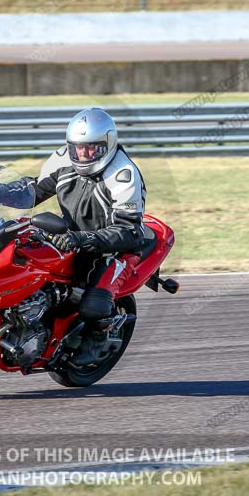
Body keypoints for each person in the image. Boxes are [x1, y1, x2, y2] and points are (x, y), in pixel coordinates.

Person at [31, 107, 147, 365]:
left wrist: (83, 239)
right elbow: (36, 189)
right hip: (69, 238)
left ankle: (100, 337)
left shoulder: (123, 174)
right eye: (78, 148)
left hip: (113, 250)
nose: (83, 154)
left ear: (107, 144)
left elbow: (129, 231)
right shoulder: (64, 159)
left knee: (93, 306)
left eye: (91, 148)